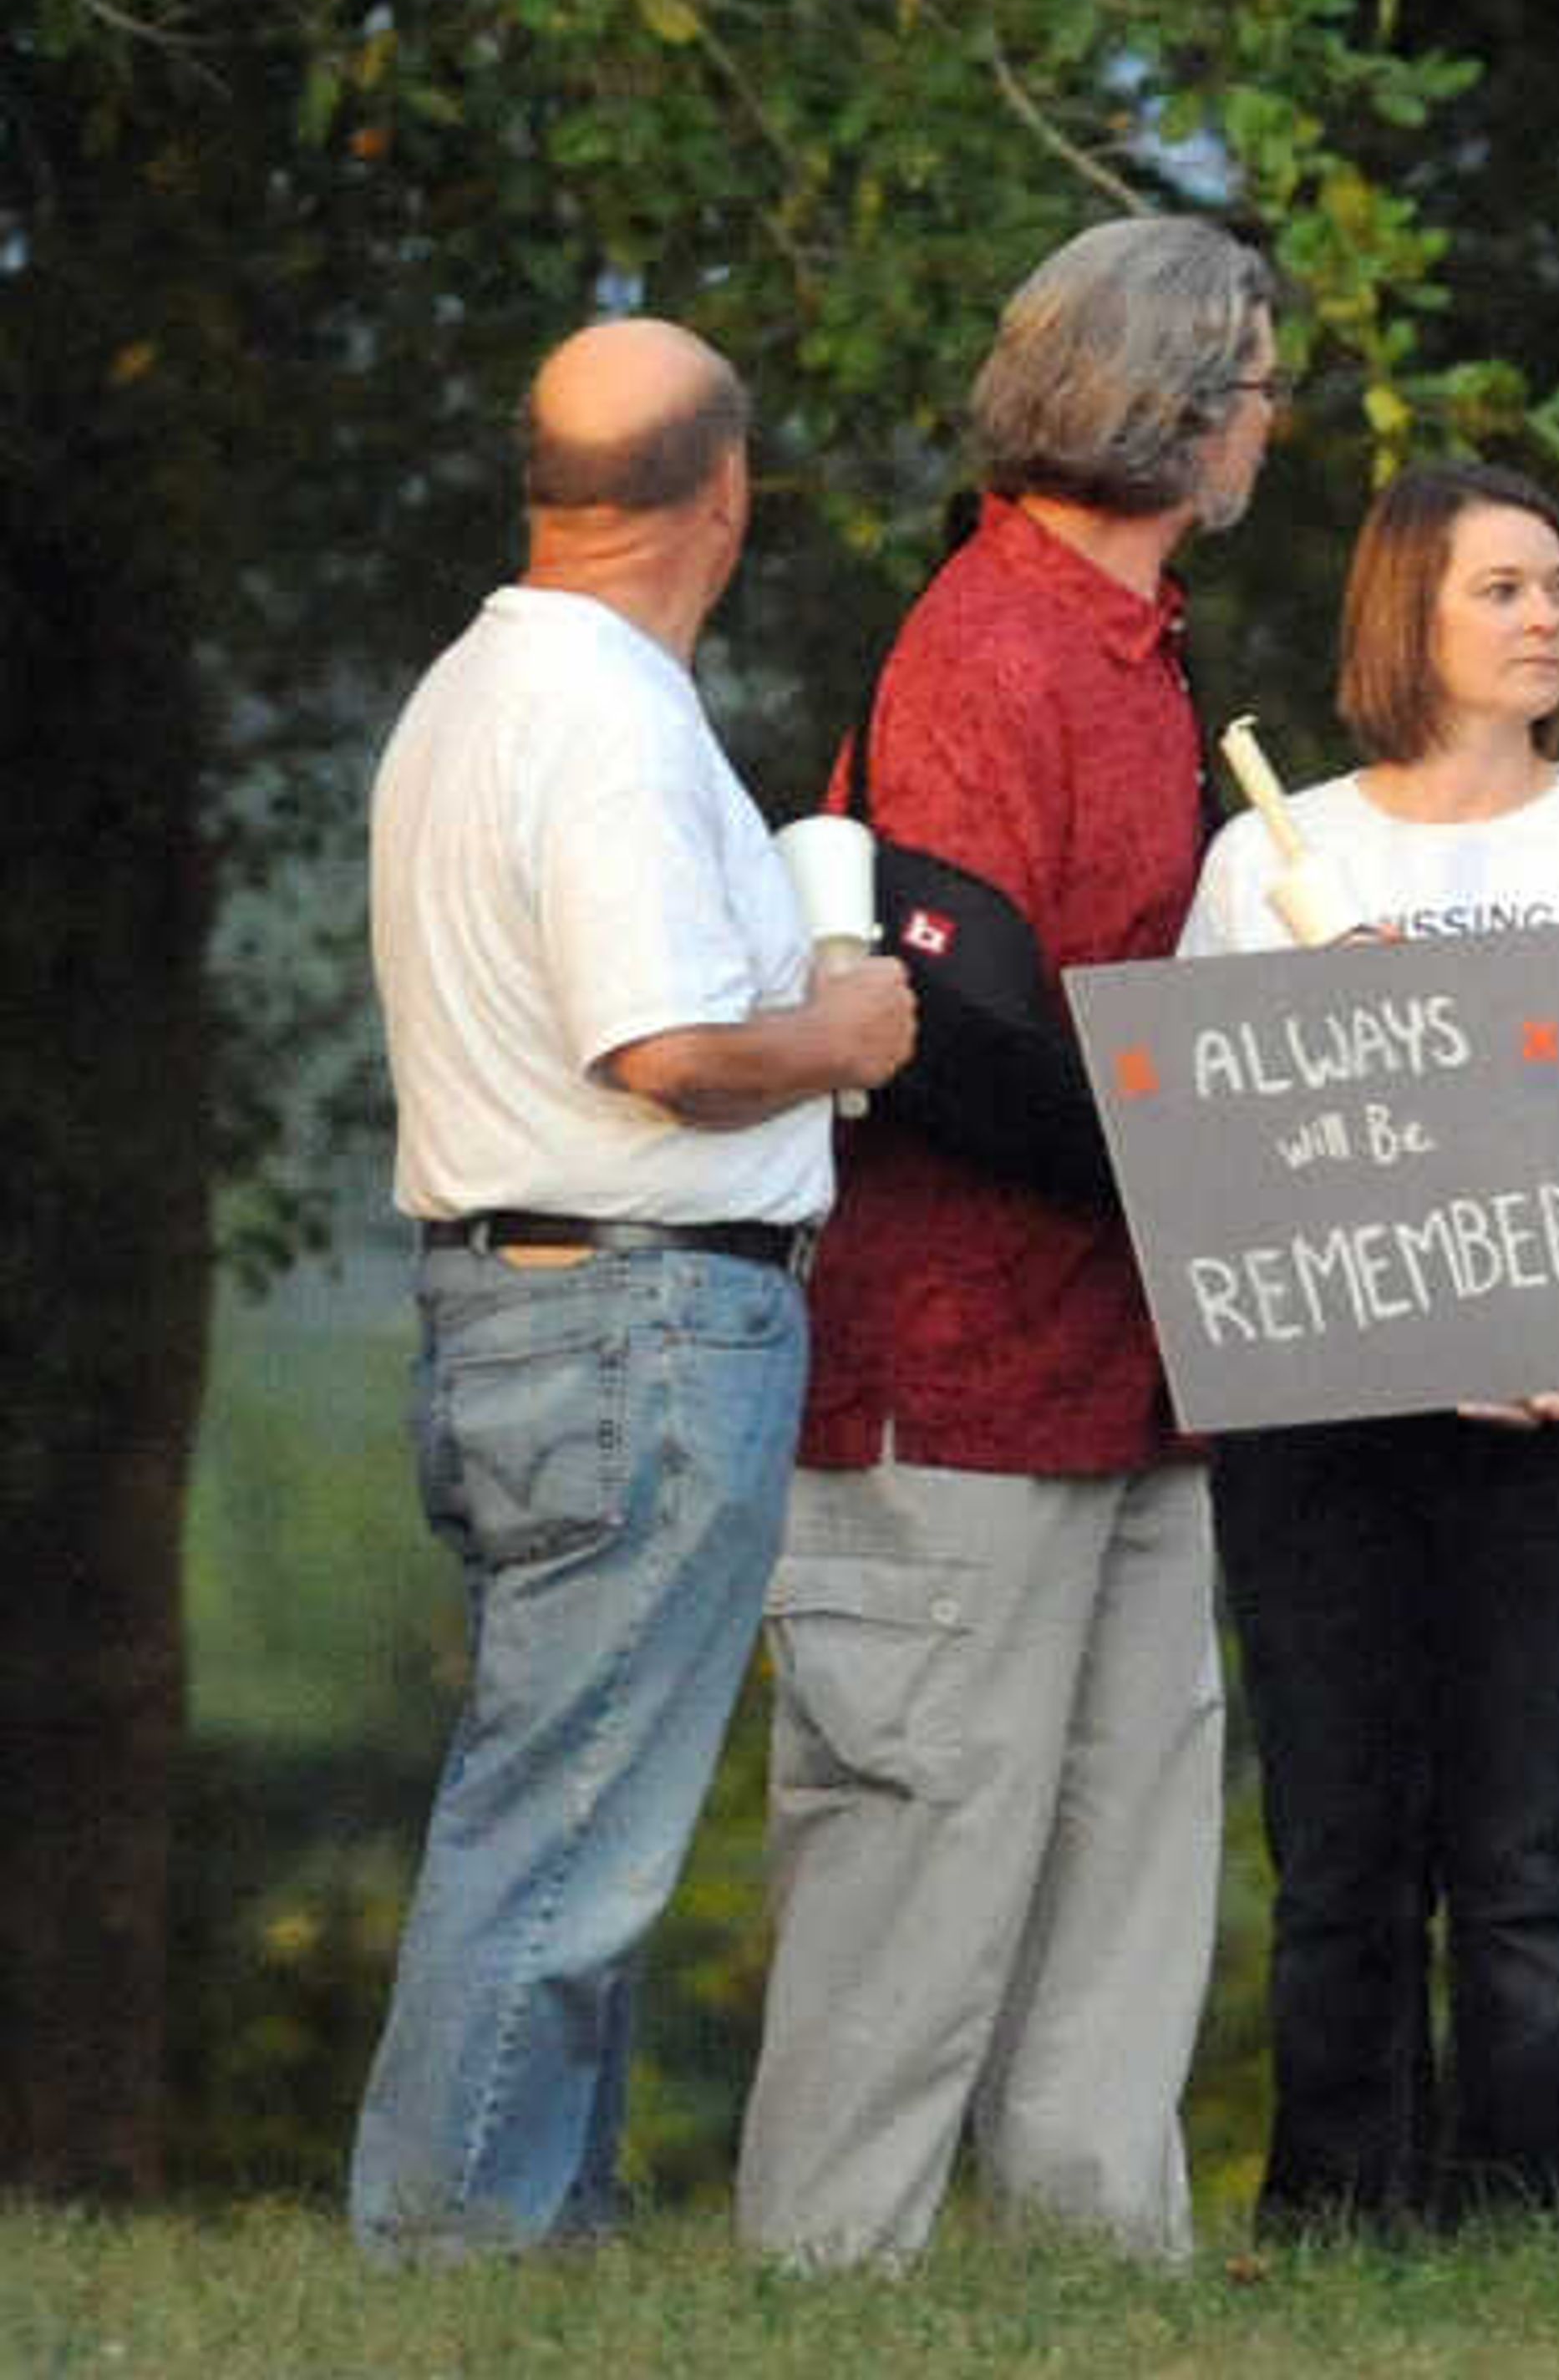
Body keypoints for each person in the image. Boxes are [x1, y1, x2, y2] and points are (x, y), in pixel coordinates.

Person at [734, 215, 1284, 2271]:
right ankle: (827, 2282)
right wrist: (1211, 1157)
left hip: (1137, 1378)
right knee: (919, 1864)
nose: (1267, 430)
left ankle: (1093, 2285)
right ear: (1181, 404)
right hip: (956, 1373)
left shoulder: (1149, 660)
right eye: (1258, 386)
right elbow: (948, 1036)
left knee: (1133, 1859)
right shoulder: (988, 643)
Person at [350, 317, 917, 2260]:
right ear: (728, 495)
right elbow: (663, 1049)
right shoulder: (605, 723)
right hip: (643, 1319)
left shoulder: (472, 693)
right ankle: (455, 2253)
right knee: (573, 1826)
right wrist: (841, 1031)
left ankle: (543, 2226)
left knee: (546, 1792)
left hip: (518, 1308)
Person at [1180, 457, 1559, 2237]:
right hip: (1327, 1427)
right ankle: (1332, 2230)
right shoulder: (1273, 860)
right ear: (1406, 616)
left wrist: (1556, 1329)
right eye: (1503, 588)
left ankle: (1526, 2240)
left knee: (1526, 1858)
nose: (1548, 618)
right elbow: (1230, 1161)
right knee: (1342, 1858)